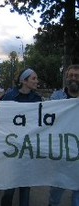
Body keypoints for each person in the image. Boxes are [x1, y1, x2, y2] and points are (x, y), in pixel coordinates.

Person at [1, 68, 42, 206]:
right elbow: (2, 120)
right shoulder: (9, 97)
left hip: (29, 148)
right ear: (24, 81)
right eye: (34, 78)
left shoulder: (37, 99)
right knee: (9, 188)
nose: (37, 81)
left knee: (26, 185)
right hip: (11, 148)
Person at [48, 64, 79, 206]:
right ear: (66, 78)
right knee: (56, 191)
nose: (74, 78)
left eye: (77, 76)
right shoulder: (56, 97)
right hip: (62, 150)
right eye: (71, 75)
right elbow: (48, 120)